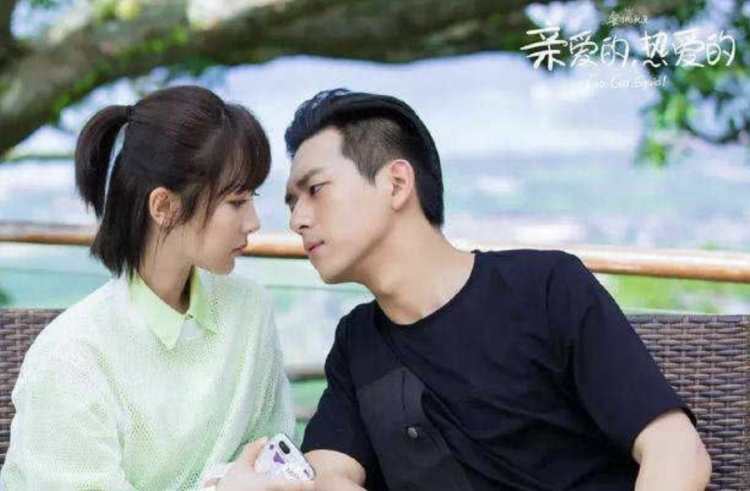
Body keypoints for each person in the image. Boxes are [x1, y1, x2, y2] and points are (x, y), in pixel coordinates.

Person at [281, 89, 712, 491]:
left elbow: (674, 449)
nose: (297, 220)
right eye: (292, 202)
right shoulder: (357, 342)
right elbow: (327, 473)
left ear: (396, 183)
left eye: (315, 190)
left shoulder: (545, 288)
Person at [0, 85, 312, 491]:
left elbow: (272, 450)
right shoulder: (72, 359)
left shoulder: (249, 309)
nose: (253, 222)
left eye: (252, 198)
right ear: (163, 207)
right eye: (236, 202)